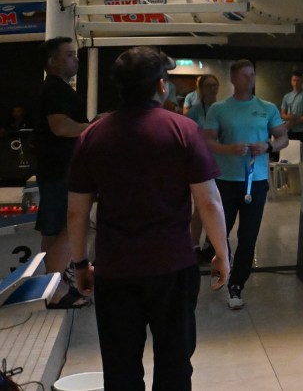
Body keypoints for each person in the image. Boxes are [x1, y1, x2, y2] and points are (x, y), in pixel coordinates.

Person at [66, 47, 230, 390]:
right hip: (172, 265)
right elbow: (209, 202)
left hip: (114, 268)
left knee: (120, 368)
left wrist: (80, 263)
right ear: (160, 85)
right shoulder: (183, 130)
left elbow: (77, 210)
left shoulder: (92, 136)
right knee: (174, 363)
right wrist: (221, 253)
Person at [204, 60, 288, 310]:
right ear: (233, 79)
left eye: (252, 75)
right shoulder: (219, 109)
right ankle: (222, 268)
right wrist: (227, 149)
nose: (249, 80)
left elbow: (282, 138)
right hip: (225, 181)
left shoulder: (267, 108)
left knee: (248, 236)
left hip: (256, 182)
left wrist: (268, 146)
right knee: (219, 234)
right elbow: (207, 141)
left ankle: (237, 284)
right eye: (244, 75)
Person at [32, 37, 91, 308]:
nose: (75, 59)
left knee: (55, 230)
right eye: (69, 54)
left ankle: (56, 285)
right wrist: (95, 127)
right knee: (69, 226)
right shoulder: (54, 90)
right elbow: (61, 127)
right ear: (52, 61)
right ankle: (56, 289)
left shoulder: (56, 89)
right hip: (60, 172)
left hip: (56, 171)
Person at [185, 74, 221, 259]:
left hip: (221, 162)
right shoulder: (195, 111)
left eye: (215, 85)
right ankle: (193, 246)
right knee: (201, 206)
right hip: (201, 161)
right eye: (208, 85)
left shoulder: (222, 108)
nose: (212, 89)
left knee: (216, 205)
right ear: (201, 88)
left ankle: (211, 245)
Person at [280, 70, 303, 162]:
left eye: (298, 80)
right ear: (291, 82)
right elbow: (282, 114)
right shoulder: (287, 96)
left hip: (301, 130)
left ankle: (302, 169)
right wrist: (288, 118)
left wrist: (295, 122)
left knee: (300, 154)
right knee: (288, 154)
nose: (295, 83)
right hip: (288, 130)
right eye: (294, 80)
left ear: (302, 81)